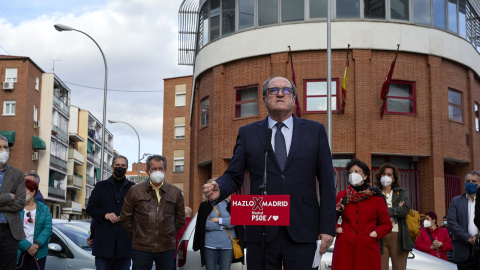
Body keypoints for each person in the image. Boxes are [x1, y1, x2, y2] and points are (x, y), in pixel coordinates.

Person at [203, 76, 336, 270]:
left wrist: (327, 228)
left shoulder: (315, 131)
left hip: (303, 227)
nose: (280, 93)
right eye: (273, 90)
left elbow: (326, 182)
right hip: (262, 227)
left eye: (286, 90)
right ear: (264, 100)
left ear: (294, 98)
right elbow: (234, 175)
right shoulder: (248, 133)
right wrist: (219, 187)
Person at [120, 154, 186, 270]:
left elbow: (180, 219)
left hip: (166, 248)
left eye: (160, 168)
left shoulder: (175, 192)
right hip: (141, 248)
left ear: (165, 170)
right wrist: (137, 234)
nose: (157, 171)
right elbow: (125, 217)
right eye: (154, 169)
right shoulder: (135, 191)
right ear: (148, 171)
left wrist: (168, 232)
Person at [332, 159, 393, 270]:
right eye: (350, 172)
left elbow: (387, 224)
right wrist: (337, 229)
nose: (353, 175)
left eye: (356, 171)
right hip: (344, 248)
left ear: (364, 176)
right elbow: (330, 218)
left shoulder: (376, 198)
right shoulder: (342, 196)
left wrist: (374, 234)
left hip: (368, 248)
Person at [86, 155, 134, 270]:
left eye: (123, 165)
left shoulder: (133, 188)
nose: (120, 167)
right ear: (112, 167)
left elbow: (138, 211)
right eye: (117, 165)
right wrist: (105, 215)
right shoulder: (101, 186)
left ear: (126, 168)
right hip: (103, 245)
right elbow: (90, 208)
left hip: (124, 245)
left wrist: (124, 216)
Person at [193, 183, 245, 270]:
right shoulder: (205, 205)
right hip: (209, 246)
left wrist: (217, 220)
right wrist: (223, 225)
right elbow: (204, 224)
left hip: (227, 245)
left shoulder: (232, 204)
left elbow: (233, 223)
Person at [374, 163, 412, 270]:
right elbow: (372, 213)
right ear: (380, 176)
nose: (386, 176)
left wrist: (382, 211)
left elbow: (405, 210)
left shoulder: (402, 192)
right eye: (384, 174)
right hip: (380, 236)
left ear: (394, 178)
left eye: (389, 174)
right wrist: (396, 209)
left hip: (398, 236)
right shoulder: (375, 193)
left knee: (399, 267)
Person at [0, 135, 26, 270]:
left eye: (5, 147)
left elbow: (21, 203)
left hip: (10, 232)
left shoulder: (17, 174)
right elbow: (14, 200)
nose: (3, 150)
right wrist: (9, 196)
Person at [16, 178, 52, 270]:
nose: (20, 194)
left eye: (24, 191)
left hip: (38, 253)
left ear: (32, 192)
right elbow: (13, 230)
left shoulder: (44, 209)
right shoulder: (16, 208)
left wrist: (36, 245)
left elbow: (47, 229)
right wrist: (27, 247)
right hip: (19, 252)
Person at [447, 171, 479, 270]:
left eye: (474, 181)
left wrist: (477, 239)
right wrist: (468, 237)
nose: (470, 183)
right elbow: (451, 221)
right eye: (467, 181)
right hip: (462, 249)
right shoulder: (456, 201)